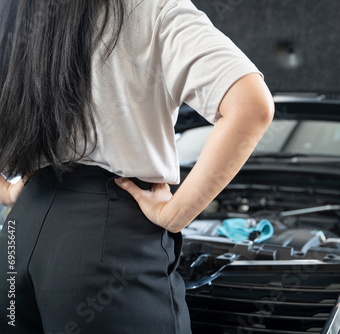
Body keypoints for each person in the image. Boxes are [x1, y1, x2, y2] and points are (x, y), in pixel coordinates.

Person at [0, 0, 274, 333]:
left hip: (15, 241)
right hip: (108, 240)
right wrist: (176, 214)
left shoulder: (17, 11)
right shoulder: (150, 6)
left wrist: (10, 191)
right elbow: (251, 105)